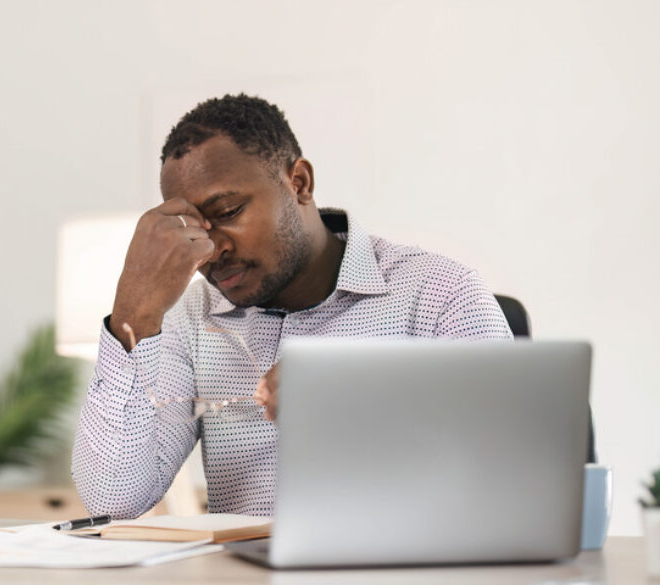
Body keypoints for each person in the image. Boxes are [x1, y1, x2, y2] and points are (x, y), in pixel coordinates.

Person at [71, 94, 512, 519]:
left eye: (227, 210)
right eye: (190, 229)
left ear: (298, 183)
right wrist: (133, 313)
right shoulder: (189, 320)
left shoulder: (440, 294)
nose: (210, 249)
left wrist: (359, 406)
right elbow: (113, 497)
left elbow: (508, 477)